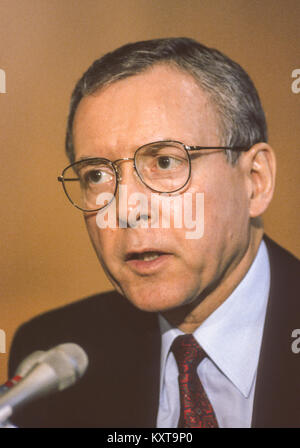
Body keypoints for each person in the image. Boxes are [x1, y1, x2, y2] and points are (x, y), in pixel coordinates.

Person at [8, 37, 300, 428]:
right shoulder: (56, 357)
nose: (127, 209)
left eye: (165, 161)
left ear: (255, 180)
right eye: (96, 175)